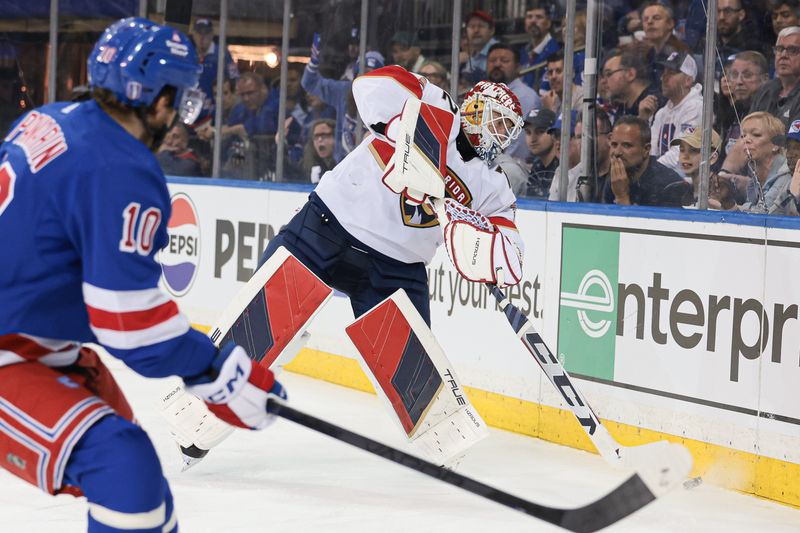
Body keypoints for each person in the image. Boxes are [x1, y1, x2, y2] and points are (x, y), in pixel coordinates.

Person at [0, 18, 285, 533]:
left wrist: (213, 374)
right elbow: (126, 322)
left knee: (140, 487)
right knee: (121, 466)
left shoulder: (50, 117)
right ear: (157, 99)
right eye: (177, 97)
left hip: (39, 341)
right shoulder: (120, 166)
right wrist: (218, 371)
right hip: (12, 349)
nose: (177, 113)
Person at [260, 66, 525, 328]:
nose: (501, 133)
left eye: (508, 128)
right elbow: (367, 85)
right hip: (327, 227)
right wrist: (404, 130)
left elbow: (510, 255)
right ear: (476, 109)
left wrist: (478, 245)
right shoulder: (436, 102)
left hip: (397, 269)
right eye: (499, 120)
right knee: (259, 326)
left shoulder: (494, 186)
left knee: (412, 370)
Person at [302, 33, 385, 162]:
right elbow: (309, 83)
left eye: (372, 74)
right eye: (361, 73)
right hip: (343, 166)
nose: (366, 79)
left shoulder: (388, 100)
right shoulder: (344, 91)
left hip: (374, 169)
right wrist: (313, 62)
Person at [713, 111, 796, 214]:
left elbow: (765, 217)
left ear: (776, 145)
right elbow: (751, 213)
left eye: (756, 134)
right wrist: (727, 202)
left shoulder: (786, 175)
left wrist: (717, 204)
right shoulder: (754, 178)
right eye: (743, 136)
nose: (746, 140)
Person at [605, 115, 686, 207]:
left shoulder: (668, 186)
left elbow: (645, 221)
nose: (617, 152)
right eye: (614, 145)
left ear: (646, 150)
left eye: (626, 145)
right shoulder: (615, 179)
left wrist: (622, 197)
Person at [644, 51, 703, 173]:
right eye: (664, 72)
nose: (663, 78)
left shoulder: (697, 107)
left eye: (671, 73)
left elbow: (681, 154)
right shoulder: (662, 112)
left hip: (688, 180)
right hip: (663, 177)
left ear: (688, 80)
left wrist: (649, 171)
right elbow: (652, 149)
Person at [486, 42, 542, 160]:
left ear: (518, 67)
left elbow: (520, 147)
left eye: (504, 60)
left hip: (511, 169)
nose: (497, 64)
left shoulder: (524, 97)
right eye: (492, 60)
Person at [549, 109, 613, 202]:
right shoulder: (574, 175)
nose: (584, 143)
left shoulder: (623, 175)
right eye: (579, 137)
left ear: (609, 139)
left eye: (590, 135)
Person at [716, 51, 769, 154]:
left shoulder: (769, 114)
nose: (739, 82)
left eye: (747, 75)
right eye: (734, 75)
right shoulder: (734, 110)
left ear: (765, 79)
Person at [190, 18, 240, 126]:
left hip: (216, 114)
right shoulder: (188, 54)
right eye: (199, 33)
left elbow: (235, 79)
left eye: (206, 33)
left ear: (212, 34)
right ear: (193, 34)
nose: (202, 38)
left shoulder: (222, 54)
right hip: (191, 114)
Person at [749, 26, 800, 126]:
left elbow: (794, 141)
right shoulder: (765, 90)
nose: (783, 55)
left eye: (792, 50)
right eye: (779, 49)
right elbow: (747, 129)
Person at [602, 46, 662, 119]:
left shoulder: (655, 104)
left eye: (609, 74)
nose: (603, 81)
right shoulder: (622, 108)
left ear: (630, 74)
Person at [670, 127, 722, 206]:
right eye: (682, 150)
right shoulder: (677, 192)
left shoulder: (722, 193)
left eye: (693, 150)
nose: (685, 156)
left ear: (712, 158)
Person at [519, 0, 561, 90]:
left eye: (539, 17)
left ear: (548, 23)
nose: (533, 21)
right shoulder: (523, 51)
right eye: (529, 17)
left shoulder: (555, 51)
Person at [522, 108, 560, 198]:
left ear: (554, 133)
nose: (533, 139)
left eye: (540, 131)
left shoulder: (561, 167)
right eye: (528, 132)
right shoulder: (537, 165)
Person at [460, 10, 500, 84]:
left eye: (481, 26)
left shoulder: (500, 51)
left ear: (491, 30)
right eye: (472, 26)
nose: (476, 30)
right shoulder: (472, 54)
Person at [302, 118, 337, 182]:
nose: (320, 139)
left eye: (324, 135)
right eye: (316, 136)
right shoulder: (307, 164)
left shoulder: (344, 165)